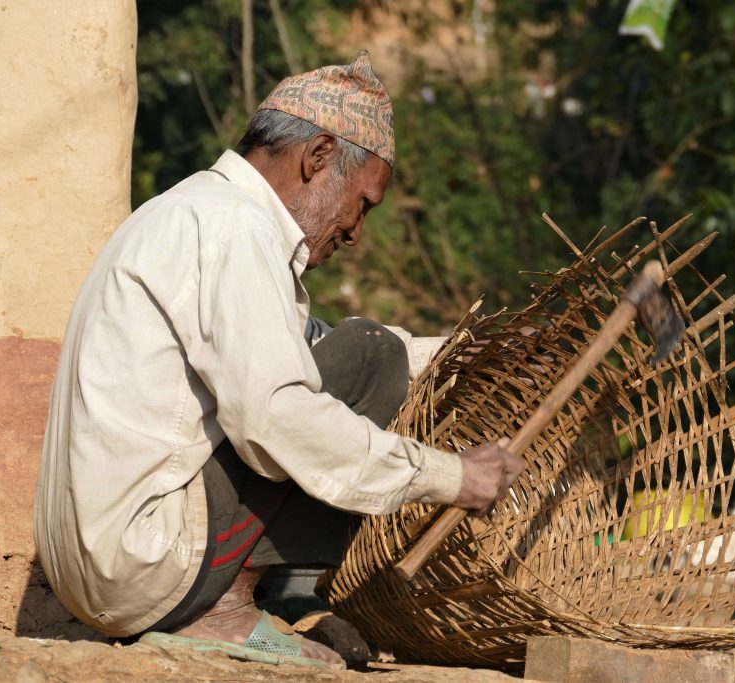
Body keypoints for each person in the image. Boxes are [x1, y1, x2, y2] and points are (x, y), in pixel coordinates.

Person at [33, 51, 524, 669]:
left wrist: (466, 352)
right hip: (148, 562)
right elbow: (281, 416)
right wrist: (454, 477)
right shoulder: (237, 230)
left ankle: (244, 599)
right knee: (368, 358)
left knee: (373, 351)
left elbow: (306, 344)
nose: (354, 232)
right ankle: (225, 609)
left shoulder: (190, 211)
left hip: (95, 570)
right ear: (318, 158)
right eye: (362, 204)